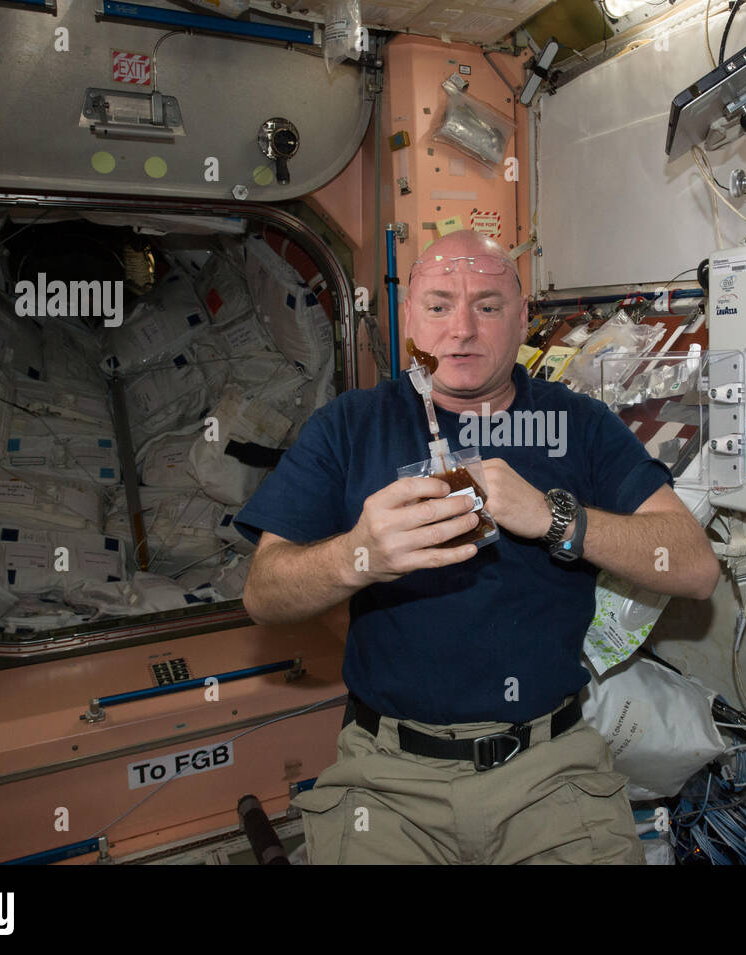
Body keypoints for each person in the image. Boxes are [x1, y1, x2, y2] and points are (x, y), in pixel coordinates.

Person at [235, 229, 720, 864]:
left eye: (488, 306)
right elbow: (263, 594)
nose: (461, 330)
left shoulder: (580, 424)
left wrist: (552, 516)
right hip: (387, 780)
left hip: (551, 769)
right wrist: (360, 554)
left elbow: (694, 567)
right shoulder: (349, 426)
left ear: (522, 318)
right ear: (409, 319)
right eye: (438, 306)